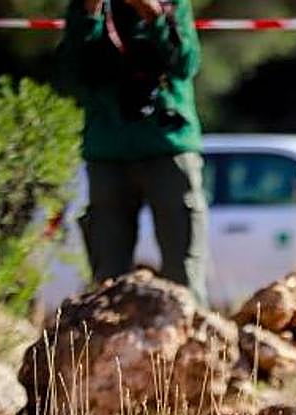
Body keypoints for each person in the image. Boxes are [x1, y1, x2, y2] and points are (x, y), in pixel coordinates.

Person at [57, 0, 208, 304]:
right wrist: (90, 15)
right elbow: (69, 73)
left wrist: (153, 16)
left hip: (167, 146)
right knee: (107, 280)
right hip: (108, 150)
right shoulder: (89, 6)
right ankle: (108, 348)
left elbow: (186, 63)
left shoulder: (170, 3)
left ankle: (192, 347)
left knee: (183, 276)